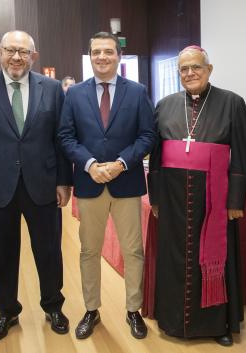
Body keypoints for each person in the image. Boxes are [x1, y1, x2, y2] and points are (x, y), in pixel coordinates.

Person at [0, 30, 73, 343]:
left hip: (44, 185)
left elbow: (60, 139)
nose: (16, 57)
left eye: (23, 52)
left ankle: (53, 306)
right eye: (10, 50)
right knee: (3, 253)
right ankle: (7, 311)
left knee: (49, 251)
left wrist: (64, 180)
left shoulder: (51, 89)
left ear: (33, 57)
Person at [147, 45, 246, 346]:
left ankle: (217, 324)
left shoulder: (232, 103)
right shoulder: (165, 104)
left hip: (214, 200)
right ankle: (172, 321)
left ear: (209, 69)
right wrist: (155, 196)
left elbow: (242, 154)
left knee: (213, 258)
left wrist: (235, 201)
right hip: (173, 198)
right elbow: (155, 155)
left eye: (196, 67)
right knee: (175, 259)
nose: (190, 73)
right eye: (183, 69)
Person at [58, 31, 155, 341]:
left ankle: (133, 310)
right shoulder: (74, 95)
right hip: (89, 184)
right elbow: (66, 137)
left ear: (119, 56)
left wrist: (121, 163)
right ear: (90, 56)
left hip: (126, 183)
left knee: (133, 251)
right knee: (89, 251)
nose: (102, 57)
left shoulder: (137, 92)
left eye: (108, 52)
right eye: (96, 52)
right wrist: (90, 165)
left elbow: (147, 135)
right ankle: (91, 309)